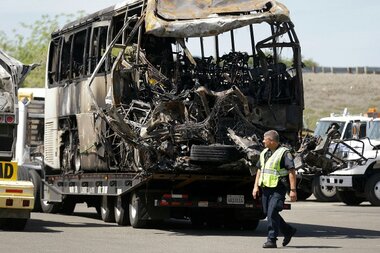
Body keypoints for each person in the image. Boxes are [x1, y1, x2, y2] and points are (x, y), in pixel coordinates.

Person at [252, 130, 297, 248]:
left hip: (278, 188)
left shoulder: (284, 153)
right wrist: (255, 186)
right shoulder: (264, 153)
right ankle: (288, 230)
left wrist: (293, 190)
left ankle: (271, 239)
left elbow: (292, 171)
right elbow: (259, 169)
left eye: (264, 139)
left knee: (272, 212)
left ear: (271, 141)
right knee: (268, 212)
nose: (262, 141)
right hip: (266, 188)